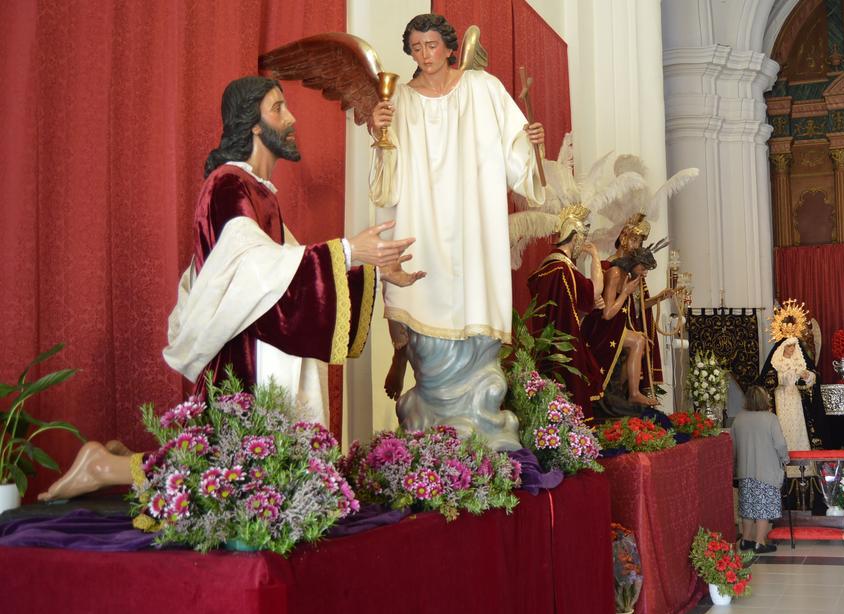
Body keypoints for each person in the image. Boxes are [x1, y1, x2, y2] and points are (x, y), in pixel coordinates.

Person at [39, 76, 424, 501]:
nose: (291, 118)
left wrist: (374, 268)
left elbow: (290, 267)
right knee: (233, 475)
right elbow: (255, 271)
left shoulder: (260, 194)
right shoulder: (229, 186)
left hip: (256, 352)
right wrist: (351, 250)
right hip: (243, 361)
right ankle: (105, 466)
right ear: (254, 125)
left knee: (241, 474)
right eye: (279, 108)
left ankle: (117, 462)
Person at [368, 14, 545, 447]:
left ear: (449, 48)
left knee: (477, 325)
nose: (425, 55)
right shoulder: (402, 102)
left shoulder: (483, 89)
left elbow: (516, 151)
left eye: (431, 45)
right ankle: (434, 436)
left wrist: (532, 143)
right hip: (423, 229)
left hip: (473, 229)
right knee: (426, 337)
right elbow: (385, 183)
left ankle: (479, 428)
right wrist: (381, 133)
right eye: (416, 48)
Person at [583, 214, 674, 406]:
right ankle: (627, 394)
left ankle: (622, 393)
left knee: (642, 341)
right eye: (634, 239)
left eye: (639, 242)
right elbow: (607, 312)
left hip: (619, 323)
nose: (636, 245)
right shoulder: (613, 269)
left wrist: (658, 298)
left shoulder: (630, 272)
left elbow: (636, 308)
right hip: (603, 327)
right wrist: (625, 292)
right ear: (623, 238)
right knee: (638, 340)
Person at [525, 204, 605, 421]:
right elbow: (596, 289)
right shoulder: (563, 267)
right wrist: (595, 256)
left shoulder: (547, 267)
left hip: (547, 344)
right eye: (583, 237)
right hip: (565, 344)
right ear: (575, 236)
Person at [732, 386, 788, 554]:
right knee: (764, 507)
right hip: (766, 470)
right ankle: (759, 542)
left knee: (747, 507)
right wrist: (785, 459)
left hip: (744, 470)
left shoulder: (739, 419)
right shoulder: (770, 418)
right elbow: (780, 444)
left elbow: (733, 446)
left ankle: (746, 540)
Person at [769, 337, 816, 451]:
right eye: (789, 346)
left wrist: (807, 376)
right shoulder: (777, 362)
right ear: (783, 347)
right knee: (784, 425)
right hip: (782, 397)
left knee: (797, 425)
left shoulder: (798, 361)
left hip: (794, 396)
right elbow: (775, 381)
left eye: (794, 345)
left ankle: (801, 456)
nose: (792, 348)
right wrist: (792, 373)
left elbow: (811, 379)